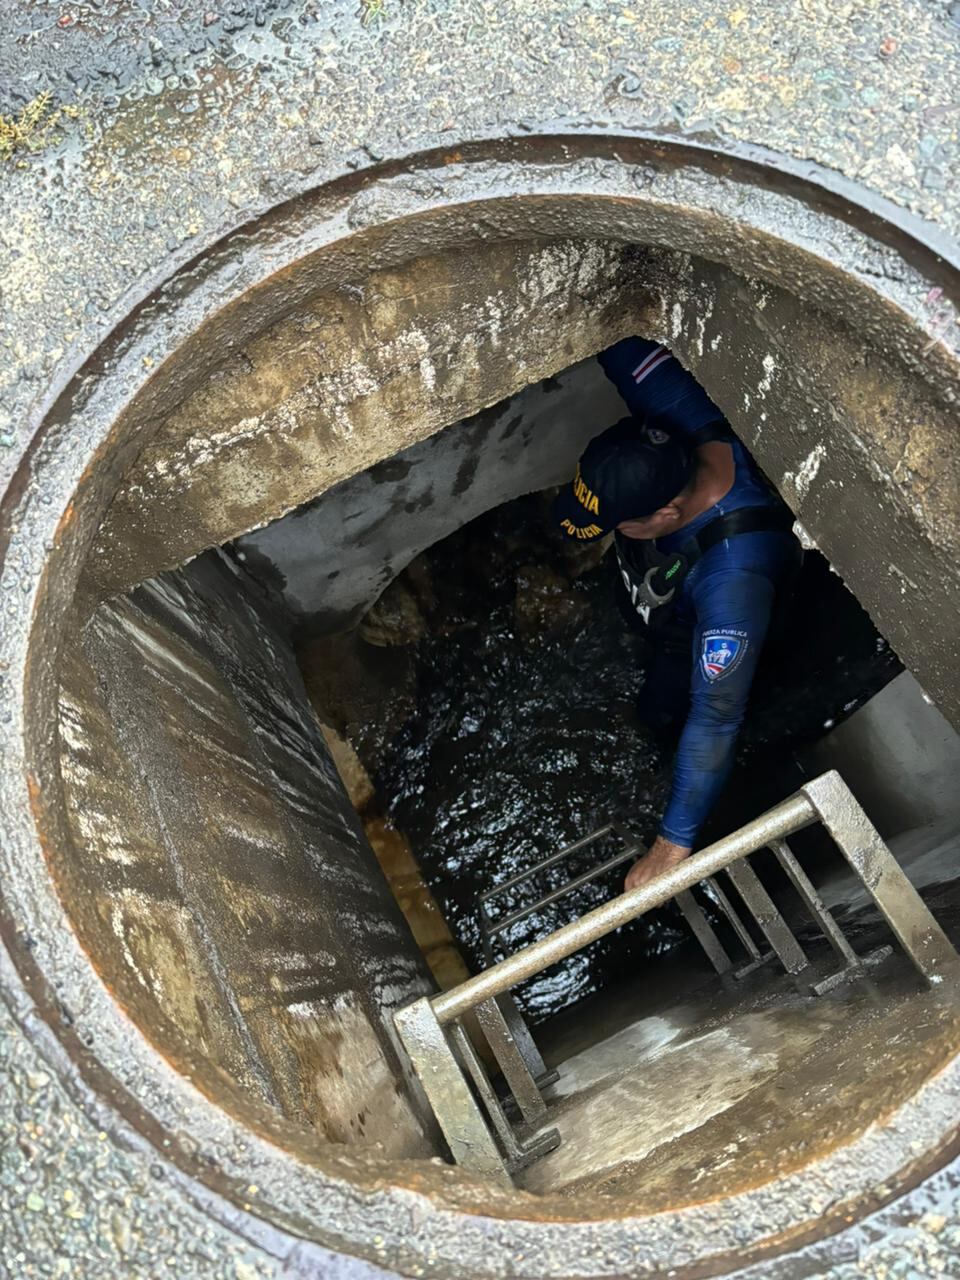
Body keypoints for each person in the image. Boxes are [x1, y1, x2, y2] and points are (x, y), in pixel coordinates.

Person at [552, 336, 802, 890]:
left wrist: (670, 847)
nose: (619, 533)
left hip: (692, 635)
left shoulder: (735, 576)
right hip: (665, 605)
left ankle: (659, 736)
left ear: (667, 514)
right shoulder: (674, 411)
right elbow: (620, 343)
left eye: (622, 526)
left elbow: (716, 715)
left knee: (667, 709)